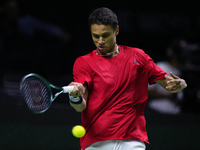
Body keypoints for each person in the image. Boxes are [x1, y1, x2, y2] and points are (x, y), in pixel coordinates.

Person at [68, 7, 187, 150]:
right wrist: (75, 96)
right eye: (95, 36)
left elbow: (168, 84)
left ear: (116, 30)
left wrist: (178, 84)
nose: (100, 41)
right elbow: (80, 106)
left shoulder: (138, 56)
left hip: (132, 141)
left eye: (105, 35)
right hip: (96, 142)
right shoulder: (84, 62)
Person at [148, 39, 185, 114]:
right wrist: (169, 96)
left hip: (177, 113)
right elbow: (147, 91)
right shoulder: (160, 67)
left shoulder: (185, 71)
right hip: (156, 111)